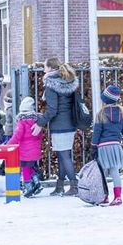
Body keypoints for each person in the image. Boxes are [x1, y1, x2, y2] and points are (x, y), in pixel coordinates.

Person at [36, 57, 80, 196]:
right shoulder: (67, 81)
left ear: (50, 68)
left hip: (60, 126)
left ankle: (74, 185)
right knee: (63, 155)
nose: (43, 70)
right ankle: (60, 185)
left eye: (45, 67)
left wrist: (40, 123)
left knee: (64, 156)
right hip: (70, 123)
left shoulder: (51, 85)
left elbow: (52, 110)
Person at [92, 85, 123, 206]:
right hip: (116, 146)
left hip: (103, 146)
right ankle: (118, 197)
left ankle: (103, 196)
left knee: (102, 172)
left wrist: (93, 146)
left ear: (104, 100)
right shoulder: (121, 114)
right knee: (114, 171)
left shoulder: (101, 114)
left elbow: (97, 132)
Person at [9, 97, 44, 197]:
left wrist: (9, 145)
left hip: (25, 151)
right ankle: (37, 182)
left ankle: (28, 188)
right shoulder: (37, 122)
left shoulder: (22, 122)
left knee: (25, 169)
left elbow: (17, 135)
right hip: (35, 150)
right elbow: (39, 136)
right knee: (30, 167)